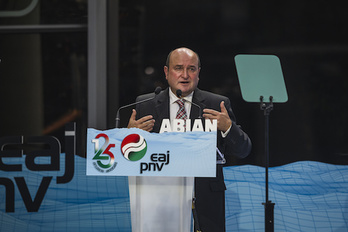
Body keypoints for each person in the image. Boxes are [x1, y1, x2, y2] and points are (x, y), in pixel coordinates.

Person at [127, 47, 251, 232]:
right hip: (159, 203)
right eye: (178, 68)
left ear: (198, 73)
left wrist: (228, 128)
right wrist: (129, 136)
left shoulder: (216, 104)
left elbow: (243, 150)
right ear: (167, 72)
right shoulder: (145, 105)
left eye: (191, 69)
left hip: (204, 203)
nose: (185, 75)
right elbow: (130, 159)